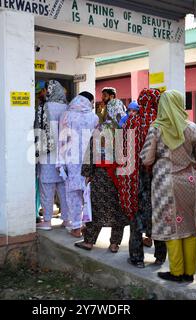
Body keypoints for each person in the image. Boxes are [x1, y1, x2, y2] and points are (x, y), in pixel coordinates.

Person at [140, 90, 196, 282]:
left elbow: (146, 159)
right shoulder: (192, 127)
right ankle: (189, 273)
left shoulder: (156, 128)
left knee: (171, 224)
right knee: (189, 225)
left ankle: (177, 271)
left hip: (165, 182)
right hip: (188, 180)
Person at [74, 95, 129, 253]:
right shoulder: (125, 128)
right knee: (118, 210)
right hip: (120, 176)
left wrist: (87, 173)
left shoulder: (100, 128)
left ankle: (89, 241)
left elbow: (91, 151)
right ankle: (114, 244)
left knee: (96, 207)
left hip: (101, 175)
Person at [124, 89, 167, 268]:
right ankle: (159, 257)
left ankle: (137, 258)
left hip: (135, 178)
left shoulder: (131, 121)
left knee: (136, 216)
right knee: (159, 216)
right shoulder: (163, 124)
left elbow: (122, 152)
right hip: (159, 177)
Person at [57, 91, 99, 238]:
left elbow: (62, 140)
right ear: (88, 101)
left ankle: (76, 227)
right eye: (93, 102)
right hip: (89, 162)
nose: (93, 105)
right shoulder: (94, 118)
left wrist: (60, 163)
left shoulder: (66, 116)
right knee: (88, 195)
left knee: (73, 195)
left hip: (71, 162)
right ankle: (88, 227)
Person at [36, 80, 69, 230]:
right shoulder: (68, 108)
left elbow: (38, 130)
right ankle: (67, 219)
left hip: (47, 156)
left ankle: (47, 221)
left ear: (49, 91)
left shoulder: (44, 107)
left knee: (46, 188)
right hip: (64, 156)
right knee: (64, 188)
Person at [34, 80, 48, 222]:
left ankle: (40, 211)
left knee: (43, 183)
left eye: (41, 91)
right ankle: (35, 211)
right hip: (38, 150)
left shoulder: (50, 107)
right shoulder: (39, 107)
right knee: (38, 181)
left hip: (49, 151)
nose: (39, 95)